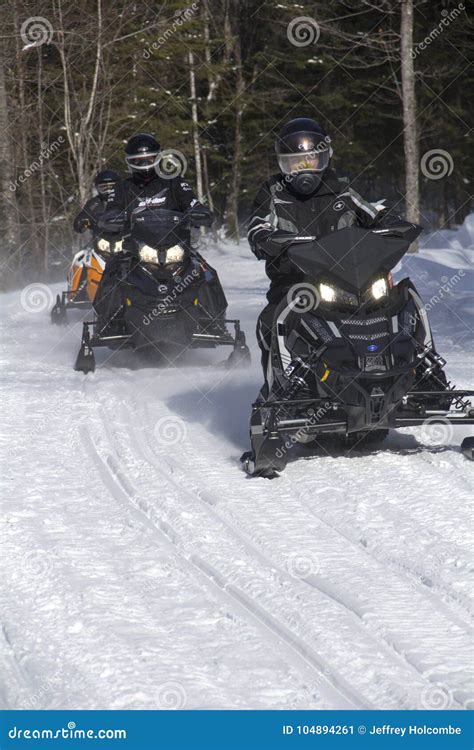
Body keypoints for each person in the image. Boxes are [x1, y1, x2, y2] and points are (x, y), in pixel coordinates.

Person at [247, 117, 403, 383]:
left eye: (311, 160)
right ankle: (278, 390)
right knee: (272, 320)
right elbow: (257, 225)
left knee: (401, 299)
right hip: (296, 283)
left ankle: (422, 371)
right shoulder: (273, 191)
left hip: (351, 277)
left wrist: (390, 220)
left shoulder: (341, 188)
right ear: (283, 164)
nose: (304, 169)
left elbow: (370, 209)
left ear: (325, 158)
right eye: (296, 163)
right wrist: (265, 238)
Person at [94, 133, 212, 330]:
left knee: (205, 271)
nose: (144, 165)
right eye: (138, 161)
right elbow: (112, 209)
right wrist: (111, 219)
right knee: (111, 272)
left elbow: (192, 202)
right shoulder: (122, 188)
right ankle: (106, 324)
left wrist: (199, 212)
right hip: (135, 251)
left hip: (176, 247)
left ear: (158, 158)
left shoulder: (174, 182)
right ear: (129, 163)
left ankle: (214, 323)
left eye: (149, 159)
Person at [73, 170, 121, 236]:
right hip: (102, 236)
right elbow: (81, 218)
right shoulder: (94, 203)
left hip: (126, 235)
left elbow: (137, 210)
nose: (108, 191)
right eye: (104, 188)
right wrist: (83, 222)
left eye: (112, 187)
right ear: (97, 188)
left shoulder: (126, 199)